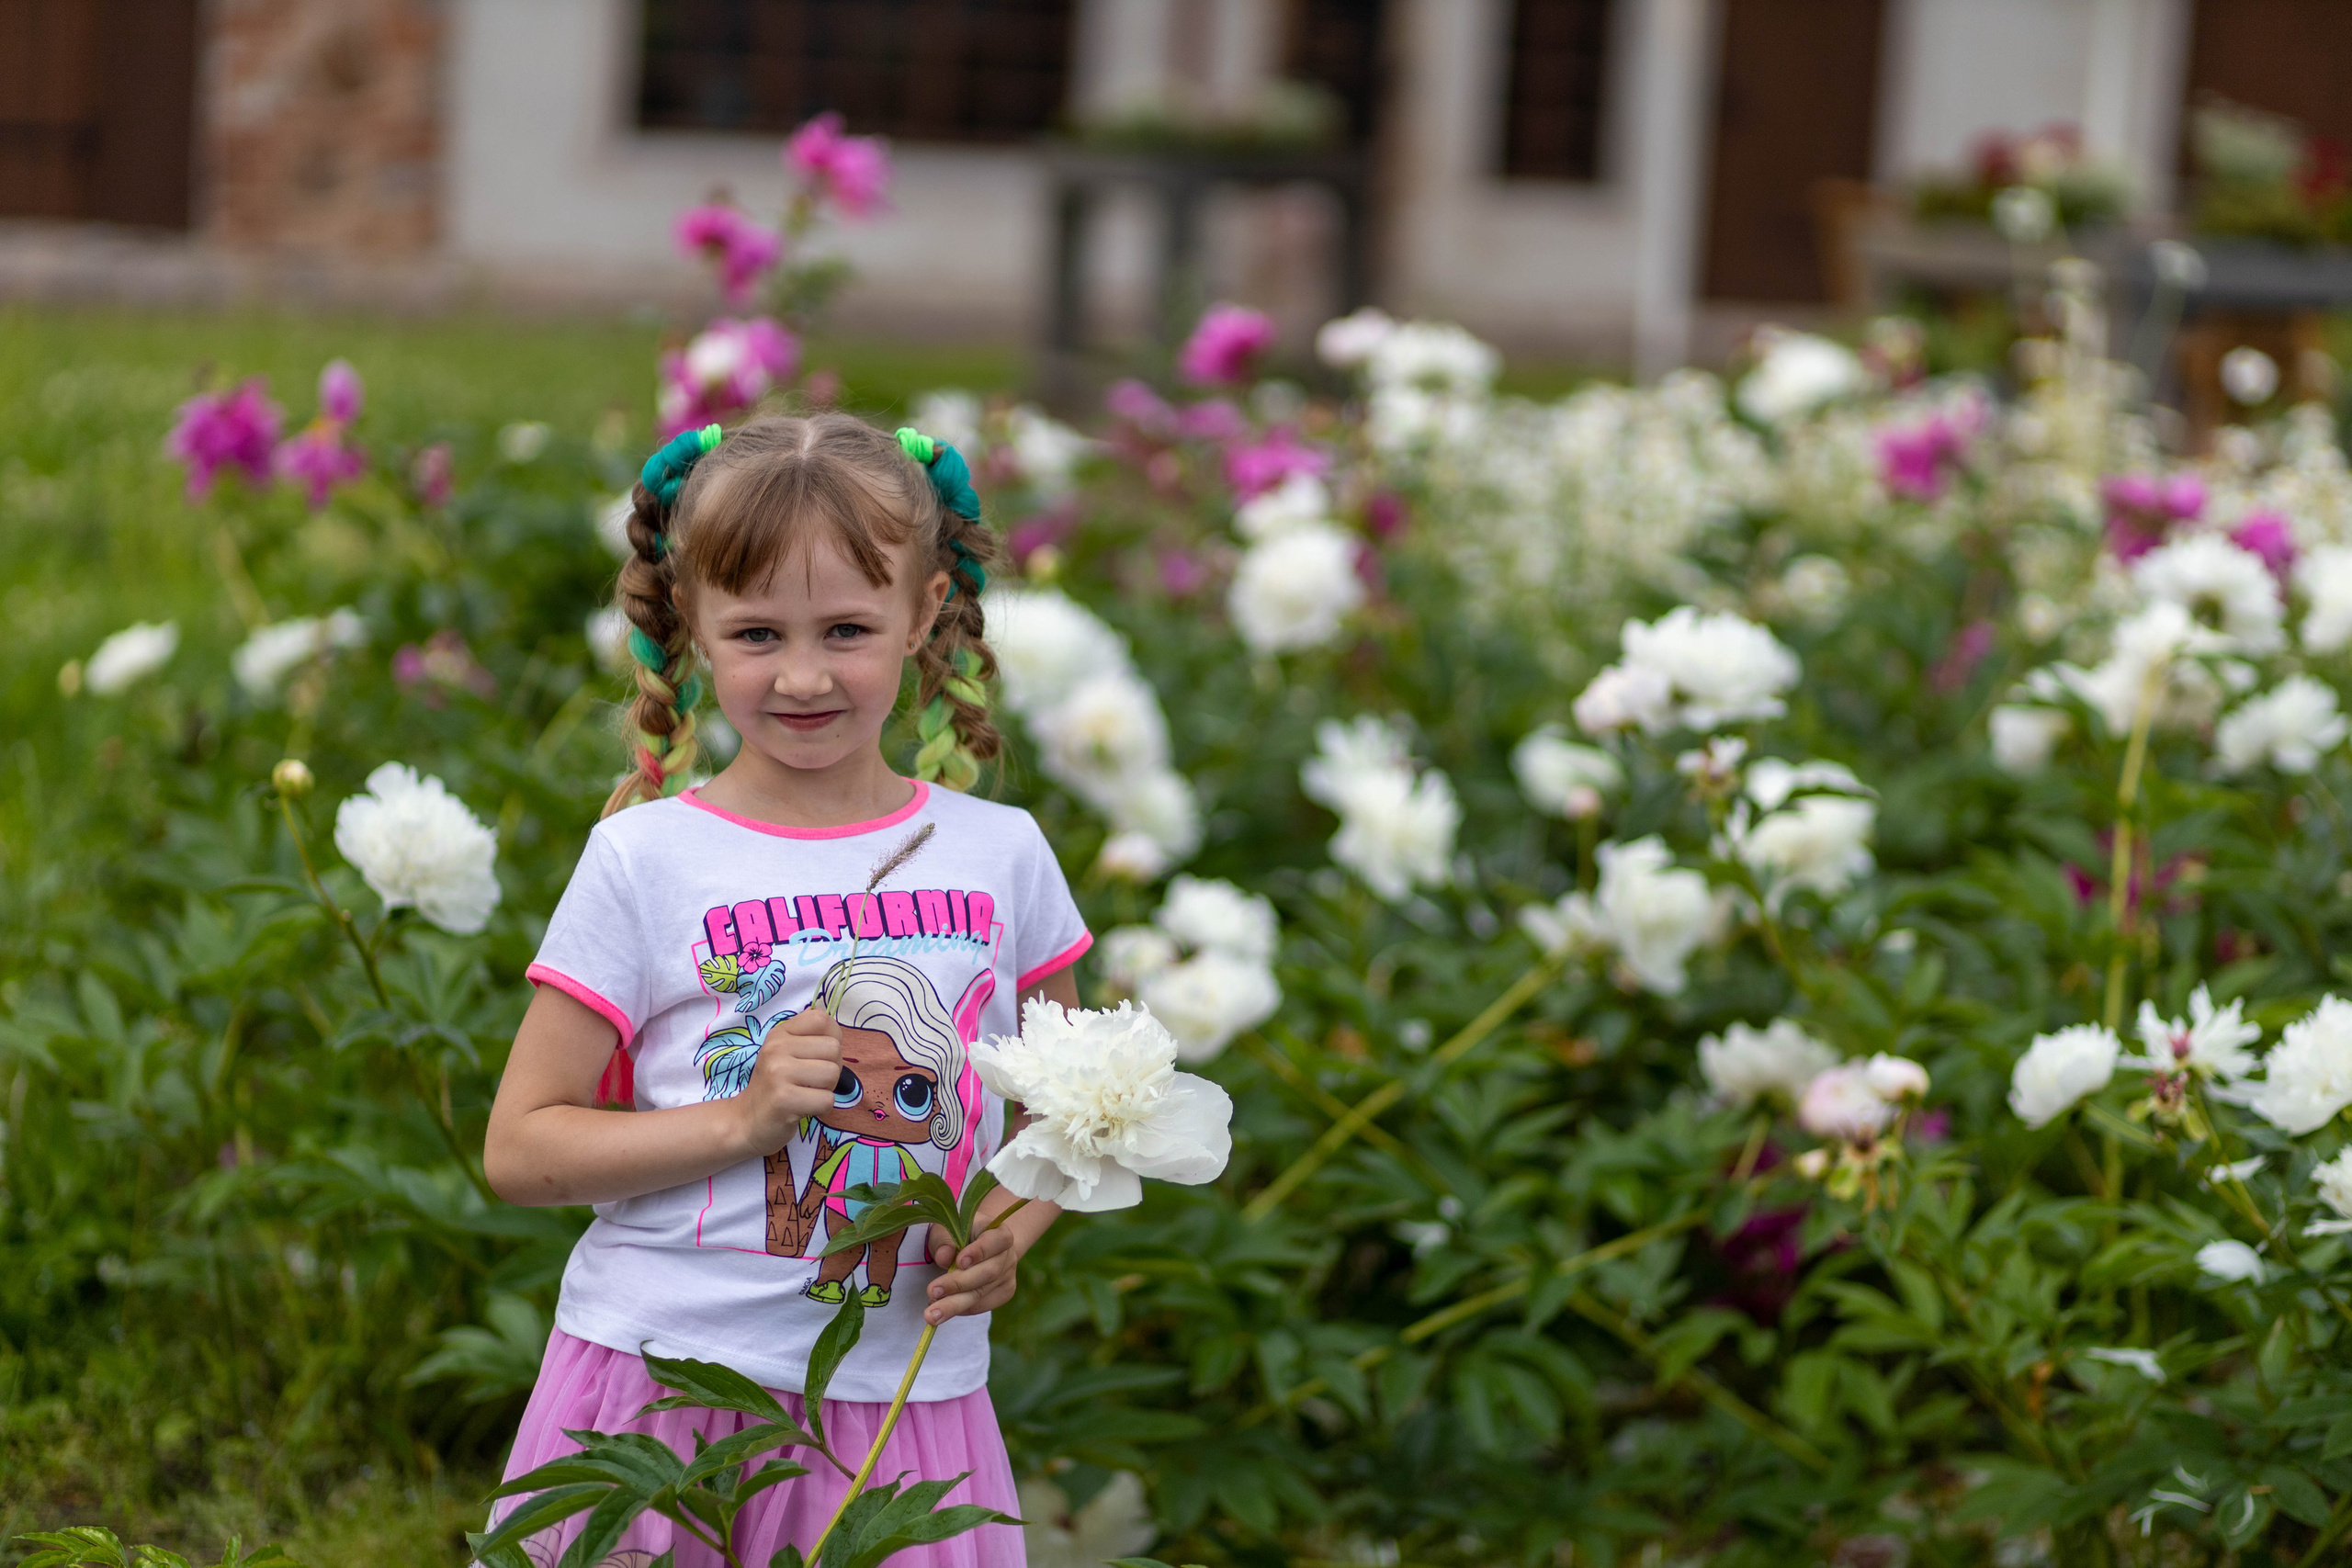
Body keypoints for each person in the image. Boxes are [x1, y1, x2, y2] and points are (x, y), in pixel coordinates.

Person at [482, 414, 1092, 1567]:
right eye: (757, 632)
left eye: (847, 630)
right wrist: (744, 1122)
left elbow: (1070, 1116)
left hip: (905, 1401)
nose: (803, 675)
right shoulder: (645, 860)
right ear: (697, 632)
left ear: (922, 619)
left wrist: (1013, 1230)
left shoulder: (1002, 857)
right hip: (663, 1392)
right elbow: (521, 1149)